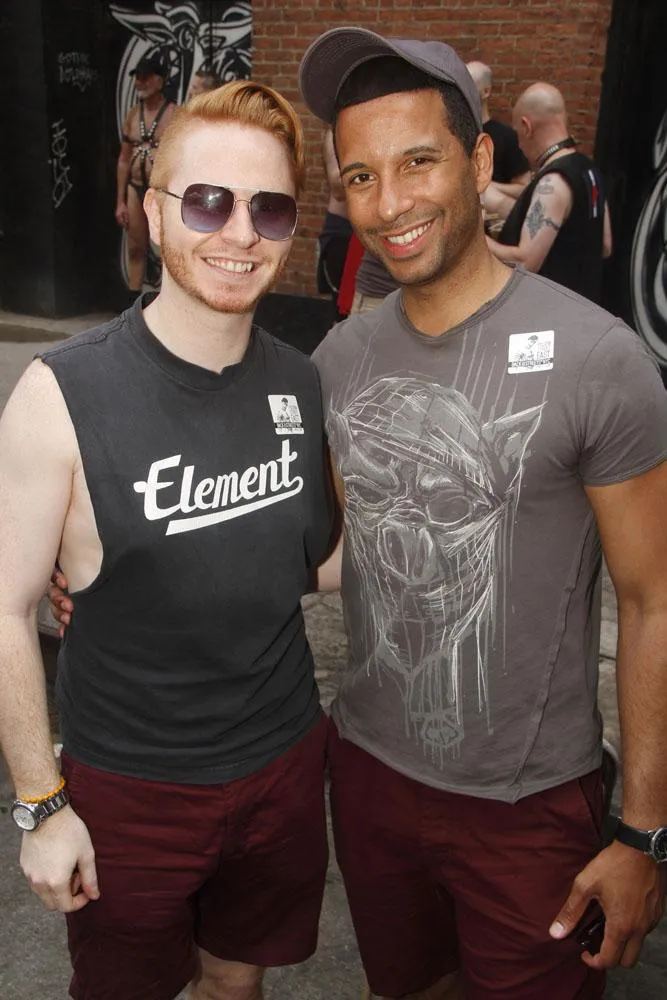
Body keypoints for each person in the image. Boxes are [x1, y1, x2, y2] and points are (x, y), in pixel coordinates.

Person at [299, 26, 667, 1000]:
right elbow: (332, 548)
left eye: (417, 161)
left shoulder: (598, 359)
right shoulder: (337, 361)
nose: (390, 202)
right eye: (361, 176)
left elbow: (653, 601)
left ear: (476, 162)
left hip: (529, 801)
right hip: (368, 774)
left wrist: (643, 831)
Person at [0, 80, 338, 1000]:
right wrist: (41, 804)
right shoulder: (61, 394)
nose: (240, 233)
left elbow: (308, 560)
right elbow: (10, 611)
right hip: (131, 786)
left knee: (236, 982)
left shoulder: (300, 384)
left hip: (280, 761)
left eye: (268, 209)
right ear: (153, 214)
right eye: (208, 201)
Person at [487, 82, 613, 303]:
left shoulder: (553, 182)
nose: (519, 145)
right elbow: (605, 245)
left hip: (550, 311)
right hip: (586, 307)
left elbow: (525, 262)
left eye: (517, 134)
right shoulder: (589, 170)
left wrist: (477, 242)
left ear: (527, 127)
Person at [116, 54, 177, 301]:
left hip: (161, 191)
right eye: (137, 77)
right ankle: (131, 302)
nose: (140, 82)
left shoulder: (174, 114)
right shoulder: (133, 115)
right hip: (135, 188)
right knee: (135, 248)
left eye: (145, 77)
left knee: (165, 252)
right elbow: (123, 159)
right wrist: (120, 201)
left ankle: (167, 303)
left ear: (160, 81)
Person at [316, 127, 354, 320]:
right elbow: (337, 185)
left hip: (370, 237)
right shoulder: (336, 132)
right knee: (343, 313)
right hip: (343, 234)